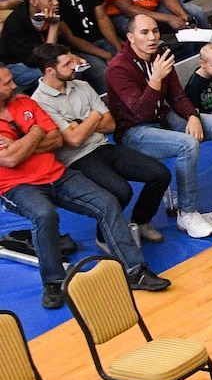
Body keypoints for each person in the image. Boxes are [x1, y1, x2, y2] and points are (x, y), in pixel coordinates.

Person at [0, 63, 165, 306]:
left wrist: (21, 143)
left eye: (12, 79)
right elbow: (11, 159)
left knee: (107, 202)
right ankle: (54, 283)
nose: (14, 85)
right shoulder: (28, 109)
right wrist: (35, 133)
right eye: (6, 83)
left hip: (57, 174)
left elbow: (55, 139)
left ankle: (135, 271)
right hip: (16, 187)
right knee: (44, 214)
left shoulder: (26, 103)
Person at [105, 13, 212, 237]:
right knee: (187, 144)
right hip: (134, 130)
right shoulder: (118, 69)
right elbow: (140, 111)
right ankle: (187, 212)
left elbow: (176, 95)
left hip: (164, 117)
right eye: (144, 32)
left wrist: (193, 115)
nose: (152, 37)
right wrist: (155, 79)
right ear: (130, 37)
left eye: (155, 31)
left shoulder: (162, 54)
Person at [30, 47, 170, 243]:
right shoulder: (39, 102)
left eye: (73, 61)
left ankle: (141, 221)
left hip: (104, 147)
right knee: (121, 191)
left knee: (160, 173)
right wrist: (94, 116)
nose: (74, 66)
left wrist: (80, 123)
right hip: (77, 158)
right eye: (67, 64)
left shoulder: (82, 85)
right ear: (50, 71)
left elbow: (110, 124)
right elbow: (73, 141)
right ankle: (103, 236)